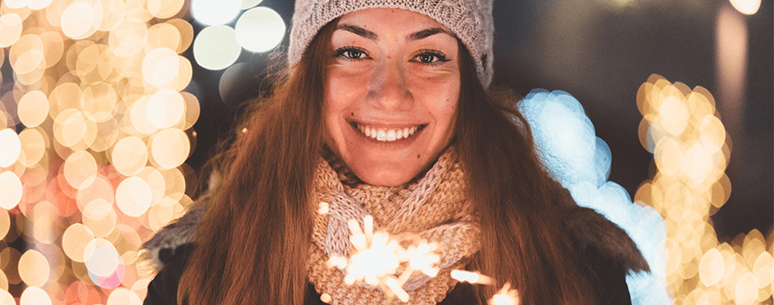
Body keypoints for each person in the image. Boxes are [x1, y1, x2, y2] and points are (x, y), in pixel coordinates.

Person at [143, 0, 650, 304]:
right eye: (353, 52)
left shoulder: (572, 275)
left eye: (428, 56)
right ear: (309, 79)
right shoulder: (201, 275)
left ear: (469, 86)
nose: (388, 93)